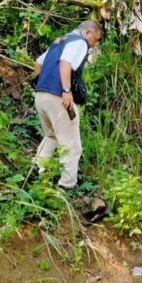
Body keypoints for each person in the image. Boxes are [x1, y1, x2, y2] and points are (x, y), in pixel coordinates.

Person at [33, 20, 102, 189]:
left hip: (41, 96)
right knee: (72, 145)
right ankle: (67, 185)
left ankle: (36, 169)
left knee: (51, 136)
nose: (93, 45)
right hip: (58, 98)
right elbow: (65, 63)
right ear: (87, 32)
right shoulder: (80, 42)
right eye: (95, 39)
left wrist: (39, 84)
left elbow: (38, 63)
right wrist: (66, 90)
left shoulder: (60, 40)